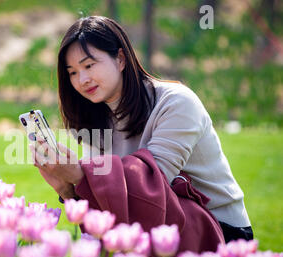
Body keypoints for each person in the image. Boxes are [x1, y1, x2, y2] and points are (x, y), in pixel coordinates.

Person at [29, 16, 253, 243]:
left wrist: (81, 174)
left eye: (89, 65)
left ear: (120, 59)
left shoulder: (176, 103)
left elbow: (154, 187)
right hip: (156, 231)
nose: (82, 79)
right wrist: (69, 190)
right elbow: (112, 202)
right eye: (72, 72)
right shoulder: (97, 118)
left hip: (217, 232)